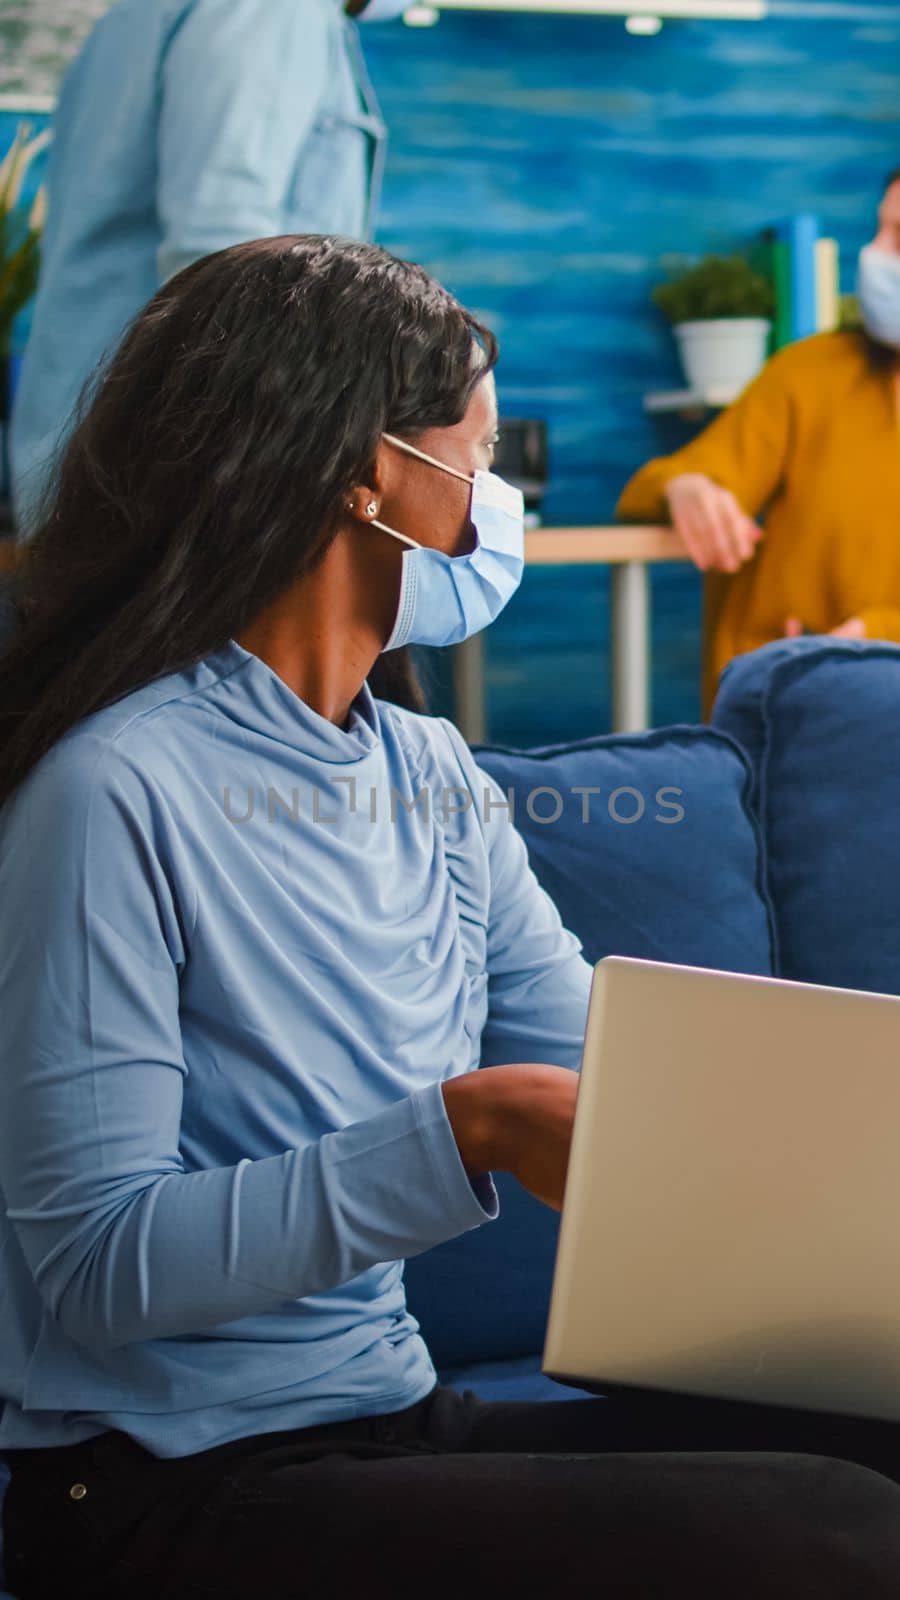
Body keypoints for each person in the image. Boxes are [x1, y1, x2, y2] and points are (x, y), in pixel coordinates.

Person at [2, 235, 900, 1599]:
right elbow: (98, 1263)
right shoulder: (113, 790)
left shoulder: (428, 775)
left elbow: (621, 1062)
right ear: (368, 472)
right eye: (476, 455)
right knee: (842, 1537)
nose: (496, 499)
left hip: (386, 1415)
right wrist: (466, 1128)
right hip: (165, 1485)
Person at [9, 0, 409, 537]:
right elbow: (222, 255)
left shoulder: (139, 15)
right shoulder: (271, 9)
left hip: (97, 469)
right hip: (175, 488)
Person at [616, 168, 900, 720]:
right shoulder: (809, 372)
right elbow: (658, 486)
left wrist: (876, 638)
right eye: (880, 231)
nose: (875, 255)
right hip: (780, 733)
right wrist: (687, 486)